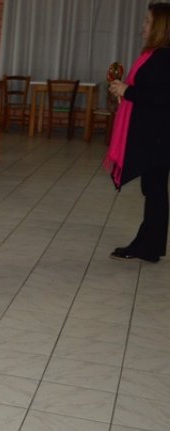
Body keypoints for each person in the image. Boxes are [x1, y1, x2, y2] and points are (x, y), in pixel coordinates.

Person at [106, 2, 170, 263]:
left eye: (147, 21)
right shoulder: (156, 55)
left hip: (159, 136)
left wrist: (127, 91)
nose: (143, 25)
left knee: (154, 190)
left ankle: (148, 246)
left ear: (160, 26)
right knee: (154, 190)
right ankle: (149, 245)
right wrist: (124, 90)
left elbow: (162, 96)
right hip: (155, 133)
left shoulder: (164, 57)